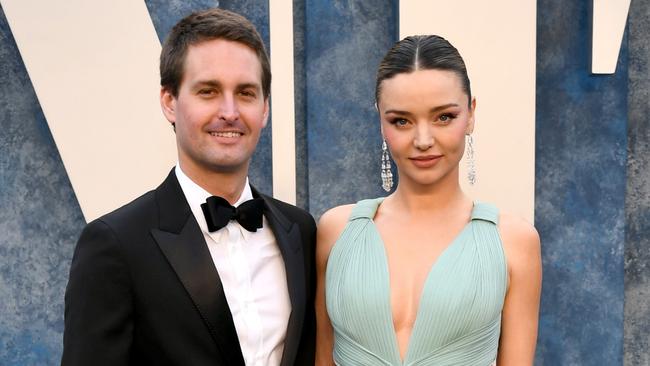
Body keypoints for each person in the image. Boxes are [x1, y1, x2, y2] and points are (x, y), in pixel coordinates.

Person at [62, 9, 315, 366]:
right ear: (169, 102)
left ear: (265, 108)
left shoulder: (300, 232)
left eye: (245, 93)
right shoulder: (115, 244)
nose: (229, 111)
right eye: (208, 91)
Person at [315, 35, 542, 365]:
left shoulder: (514, 241)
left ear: (471, 114)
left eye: (444, 117)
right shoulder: (336, 231)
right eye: (401, 121)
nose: (423, 140)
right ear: (381, 120)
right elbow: (323, 357)